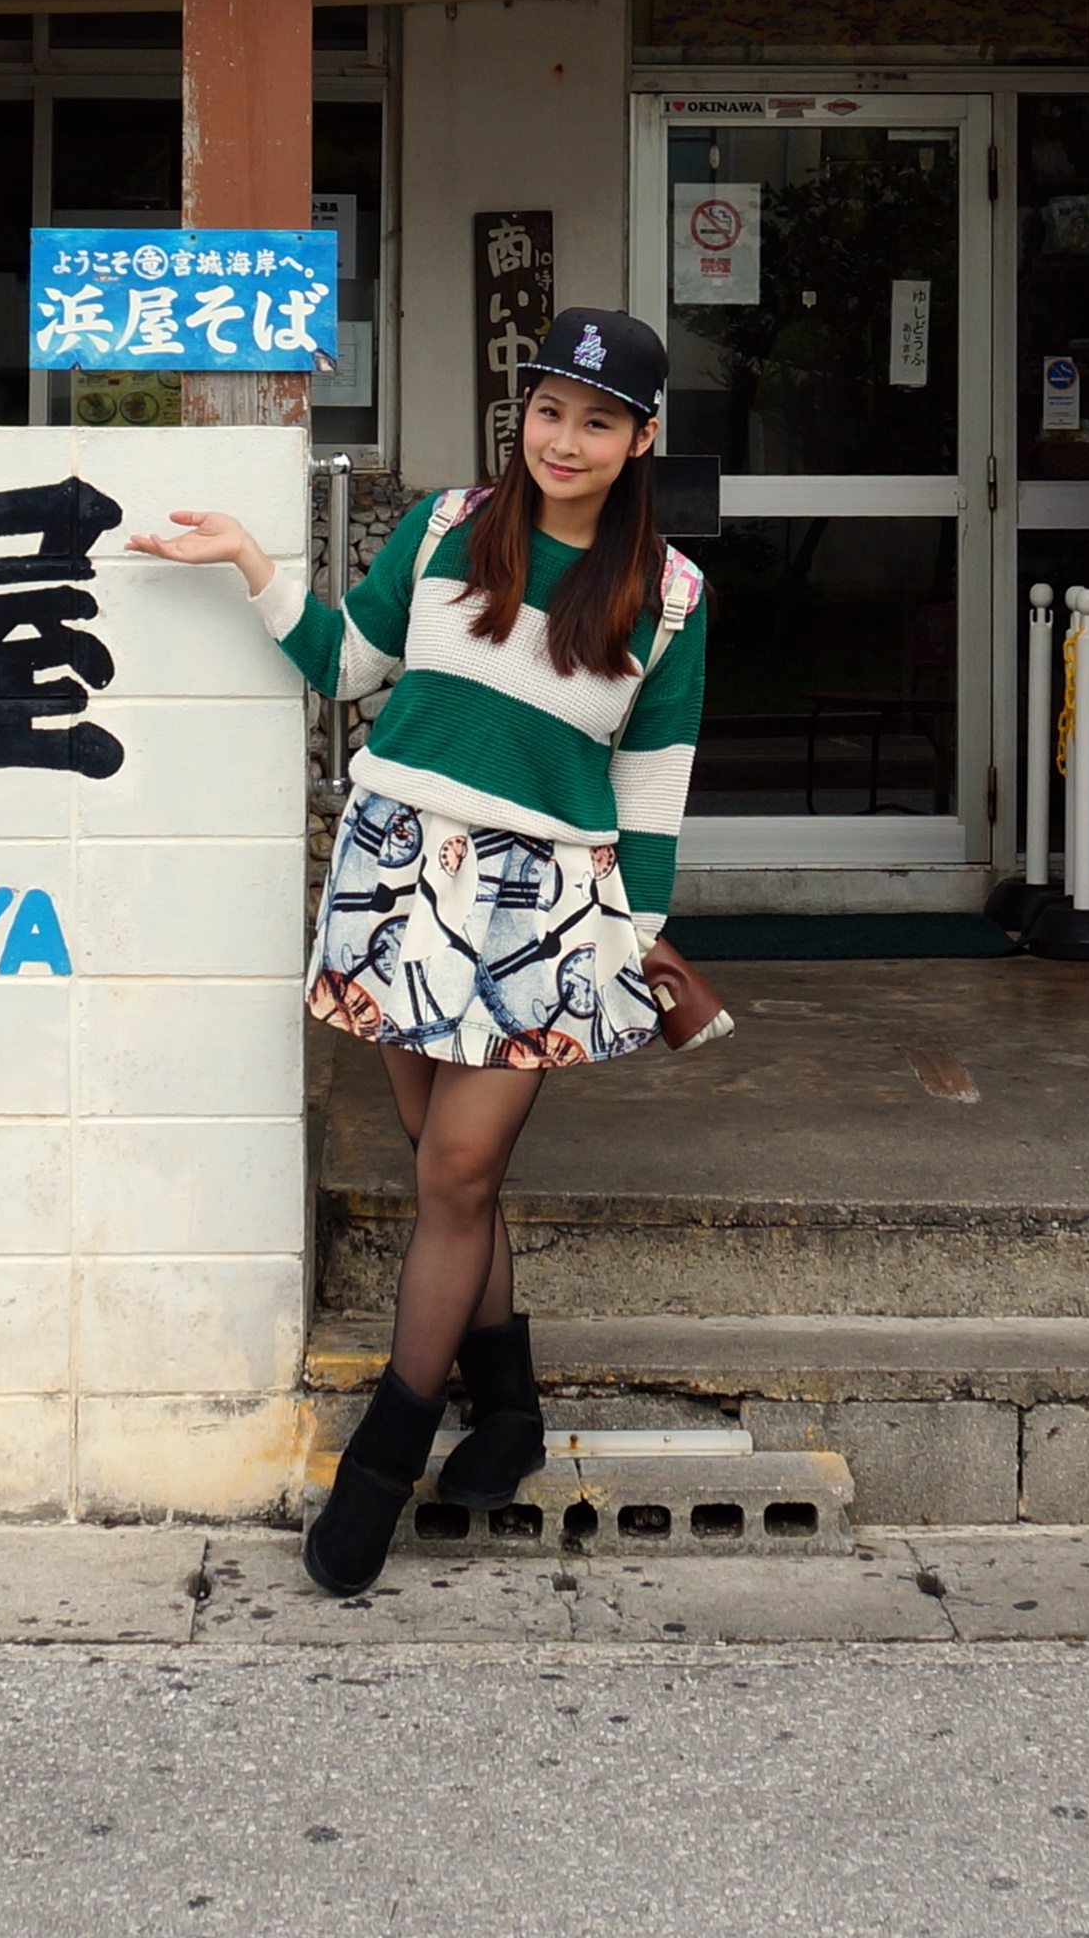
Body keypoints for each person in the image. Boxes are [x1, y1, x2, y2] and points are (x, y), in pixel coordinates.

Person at [128, 308, 729, 1595]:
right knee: (441, 1171)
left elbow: (656, 784)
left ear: (642, 439)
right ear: (525, 411)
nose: (565, 440)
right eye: (550, 409)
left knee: (458, 1168)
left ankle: (381, 1464)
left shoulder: (667, 595)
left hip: (543, 904)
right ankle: (506, 1411)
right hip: (397, 874)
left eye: (600, 421)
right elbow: (347, 664)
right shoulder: (451, 527)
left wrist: (641, 937)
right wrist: (248, 557)